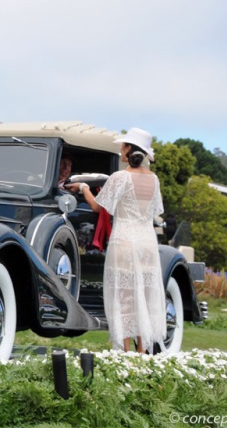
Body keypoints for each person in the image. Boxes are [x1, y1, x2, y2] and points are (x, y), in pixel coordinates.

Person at [67, 127, 165, 353]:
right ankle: (142, 350)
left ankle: (127, 350)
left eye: (123, 145)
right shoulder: (154, 179)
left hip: (125, 239)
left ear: (129, 149)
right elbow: (154, 210)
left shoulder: (121, 177)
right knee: (144, 292)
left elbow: (97, 206)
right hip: (147, 241)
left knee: (125, 294)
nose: (120, 149)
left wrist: (83, 187)